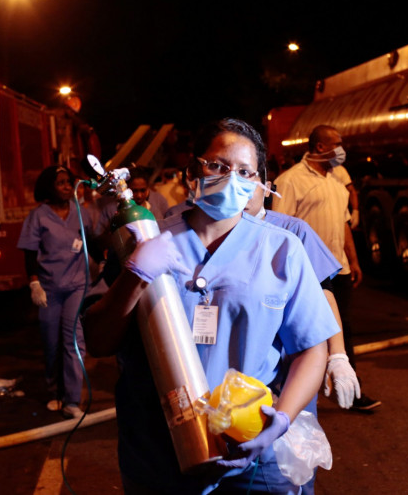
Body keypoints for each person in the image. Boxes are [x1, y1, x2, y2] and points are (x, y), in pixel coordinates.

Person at [84, 118, 338, 494]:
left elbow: (311, 349)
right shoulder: (145, 241)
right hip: (158, 449)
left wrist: (282, 419)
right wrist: (135, 275)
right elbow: (98, 340)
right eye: (217, 165)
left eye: (245, 172)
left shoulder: (282, 249)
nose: (231, 178)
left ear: (258, 182)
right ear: (192, 172)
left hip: (250, 447)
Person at [244, 165, 359, 495]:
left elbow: (322, 294)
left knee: (286, 474)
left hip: (285, 381)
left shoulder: (291, 233)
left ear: (267, 186)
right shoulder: (194, 232)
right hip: (226, 393)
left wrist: (338, 356)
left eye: (247, 174)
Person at [272, 124, 381, 413]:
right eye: (337, 143)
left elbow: (343, 224)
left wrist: (352, 260)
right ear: (320, 147)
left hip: (337, 268)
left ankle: (350, 389)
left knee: (342, 329)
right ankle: (296, 395)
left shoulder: (337, 179)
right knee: (303, 334)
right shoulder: (290, 181)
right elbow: (278, 226)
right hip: (307, 273)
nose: (342, 149)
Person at [17, 166, 93, 419]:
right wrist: (34, 283)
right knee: (52, 343)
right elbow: (29, 252)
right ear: (49, 187)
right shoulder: (38, 217)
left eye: (69, 182)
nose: (67, 187)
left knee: (73, 341)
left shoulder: (80, 213)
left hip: (76, 286)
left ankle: (72, 399)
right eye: (60, 183)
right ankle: (55, 392)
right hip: (49, 287)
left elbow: (92, 240)